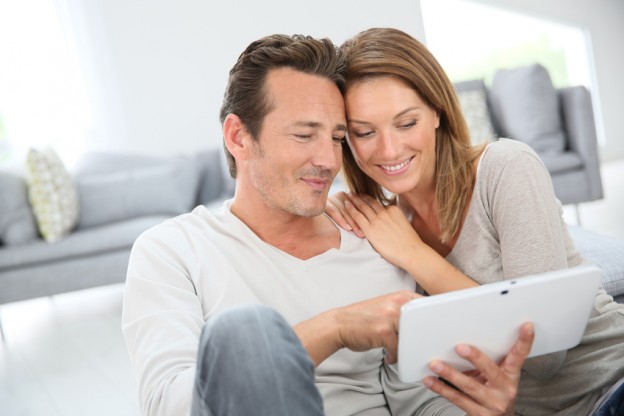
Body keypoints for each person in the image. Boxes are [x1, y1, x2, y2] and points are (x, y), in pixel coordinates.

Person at [122, 33, 535, 416]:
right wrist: (333, 328)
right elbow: (168, 404)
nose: (328, 161)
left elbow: (418, 399)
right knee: (246, 332)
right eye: (305, 135)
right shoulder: (171, 250)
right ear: (238, 137)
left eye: (338, 138)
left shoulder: (374, 241)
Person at [326, 27, 624, 416]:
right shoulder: (382, 226)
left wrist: (416, 256)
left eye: (406, 123)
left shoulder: (505, 169)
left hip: (611, 383)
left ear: (437, 111)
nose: (390, 149)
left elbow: (542, 358)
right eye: (365, 132)